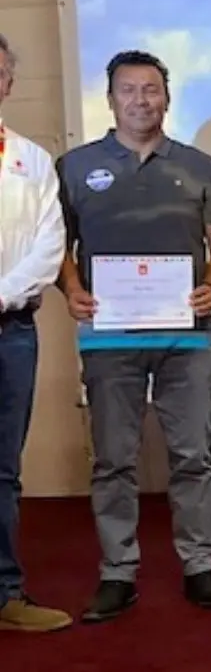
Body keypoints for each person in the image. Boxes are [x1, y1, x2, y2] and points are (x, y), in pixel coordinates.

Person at [55, 50, 211, 621]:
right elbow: (56, 243)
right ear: (109, 100)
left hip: (188, 336)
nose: (141, 100)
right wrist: (71, 289)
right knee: (113, 459)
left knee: (193, 456)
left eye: (151, 89)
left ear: (167, 97)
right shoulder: (76, 167)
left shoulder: (200, 165)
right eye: (128, 90)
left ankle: (200, 565)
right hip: (109, 336)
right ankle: (118, 573)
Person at [0, 33, 72, 633]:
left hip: (10, 330)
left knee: (3, 467)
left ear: (8, 82)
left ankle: (4, 595)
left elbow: (50, 246)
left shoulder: (32, 159)